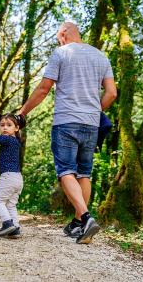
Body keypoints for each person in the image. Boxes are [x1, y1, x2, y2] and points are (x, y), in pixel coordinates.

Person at [18, 22, 117, 244]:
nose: (58, 41)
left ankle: (86, 217)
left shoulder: (61, 53)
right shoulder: (101, 56)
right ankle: (80, 225)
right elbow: (111, 93)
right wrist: (94, 110)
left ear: (63, 34)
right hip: (91, 124)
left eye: (58, 38)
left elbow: (44, 89)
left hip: (66, 121)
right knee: (84, 173)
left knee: (65, 171)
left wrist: (22, 112)